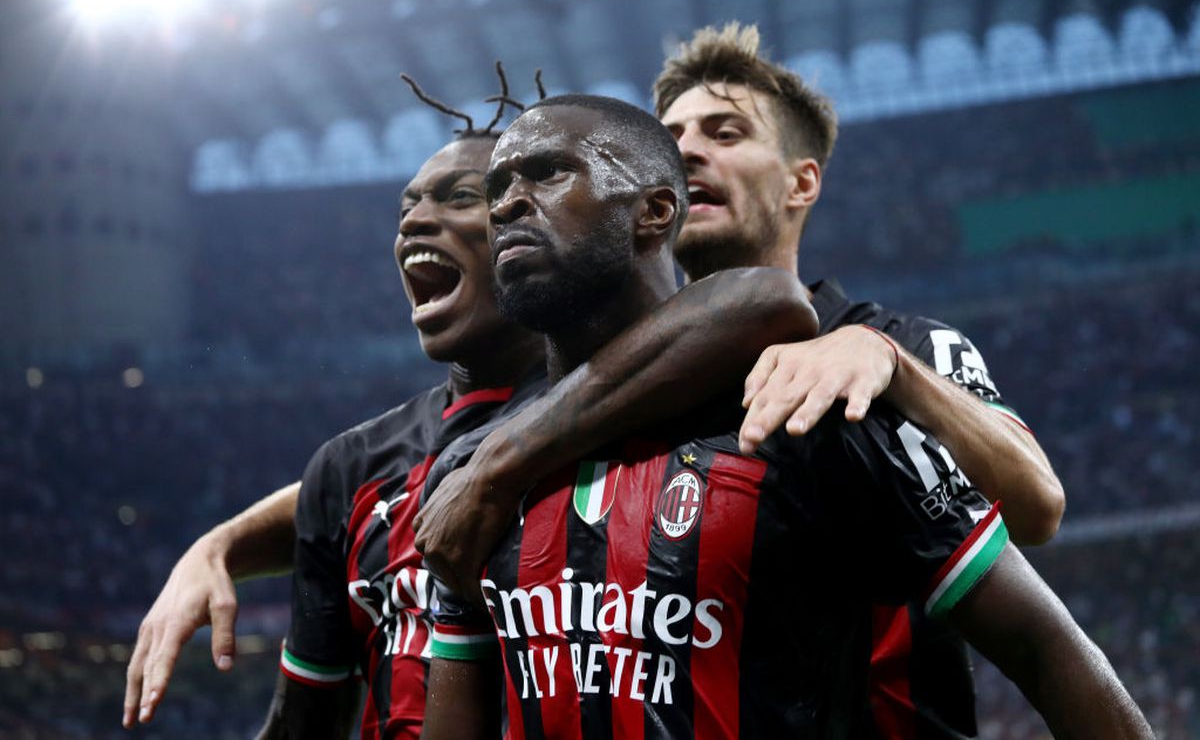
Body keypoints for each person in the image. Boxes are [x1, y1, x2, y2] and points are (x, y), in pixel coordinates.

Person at [419, 93, 1149, 739]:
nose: (507, 203)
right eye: (496, 188)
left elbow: (1048, 647)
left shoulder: (820, 402)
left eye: (545, 173)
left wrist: (885, 360)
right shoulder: (474, 478)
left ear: (655, 210)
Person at [123, 79, 819, 732]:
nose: (417, 223)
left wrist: (500, 465)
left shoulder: (638, 402)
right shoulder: (352, 466)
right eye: (407, 208)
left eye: (463, 199)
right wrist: (218, 544)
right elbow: (305, 721)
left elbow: (756, 302)